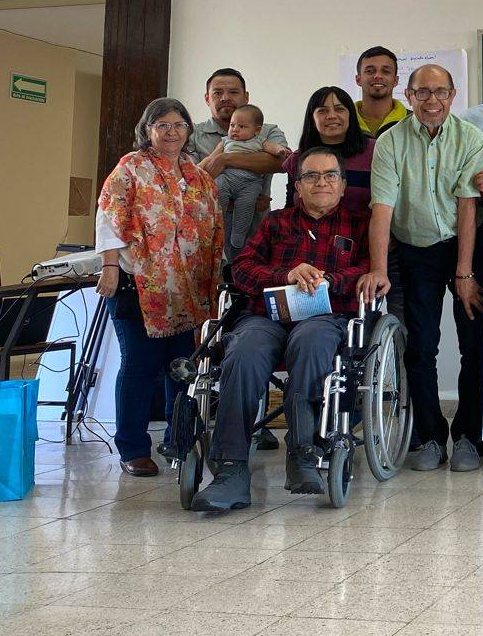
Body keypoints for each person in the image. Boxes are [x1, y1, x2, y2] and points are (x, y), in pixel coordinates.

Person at [190, 147, 370, 511]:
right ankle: (230, 469)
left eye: (330, 175)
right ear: (298, 186)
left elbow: (368, 269)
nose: (322, 182)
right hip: (266, 317)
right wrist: (285, 275)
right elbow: (241, 269)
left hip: (324, 317)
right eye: (311, 176)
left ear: (342, 184)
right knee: (242, 352)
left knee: (311, 342)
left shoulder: (360, 224)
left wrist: (327, 280)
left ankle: (304, 453)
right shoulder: (275, 222)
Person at [359, 64, 483, 474]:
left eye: (441, 92)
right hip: (415, 251)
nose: (432, 101)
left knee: (475, 344)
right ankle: (431, 436)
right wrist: (379, 268)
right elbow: (382, 208)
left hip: (464, 246)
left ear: (453, 95)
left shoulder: (471, 137)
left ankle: (468, 435)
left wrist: (465, 274)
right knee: (420, 347)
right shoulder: (390, 142)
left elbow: (468, 205)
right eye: (423, 93)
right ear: (408, 96)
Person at [95, 98, 224, 476]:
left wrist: (215, 281)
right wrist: (109, 266)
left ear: (189, 130)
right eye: (162, 125)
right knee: (139, 365)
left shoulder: (198, 177)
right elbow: (109, 218)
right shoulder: (130, 168)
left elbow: (215, 230)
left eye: (179, 125)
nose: (171, 132)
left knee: (182, 369)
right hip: (138, 285)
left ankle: (178, 438)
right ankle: (132, 447)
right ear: (147, 130)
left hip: (186, 289)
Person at [283, 86, 376, 214]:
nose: (331, 116)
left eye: (339, 109)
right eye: (322, 111)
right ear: (312, 120)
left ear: (351, 116)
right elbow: (290, 207)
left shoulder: (375, 151)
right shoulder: (297, 158)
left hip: (364, 233)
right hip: (308, 233)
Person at [215, 104, 290, 258]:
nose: (235, 129)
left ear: (256, 130)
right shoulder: (225, 141)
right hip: (228, 177)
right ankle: (218, 224)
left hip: (250, 183)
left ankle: (238, 234)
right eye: (232, 125)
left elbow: (273, 149)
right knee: (218, 190)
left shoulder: (259, 141)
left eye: (241, 126)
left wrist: (279, 150)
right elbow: (213, 158)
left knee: (246, 206)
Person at [353, 46, 409, 138]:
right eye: (370, 71)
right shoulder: (344, 121)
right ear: (358, 80)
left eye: (386, 71)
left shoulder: (413, 121)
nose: (378, 76)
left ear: (395, 80)